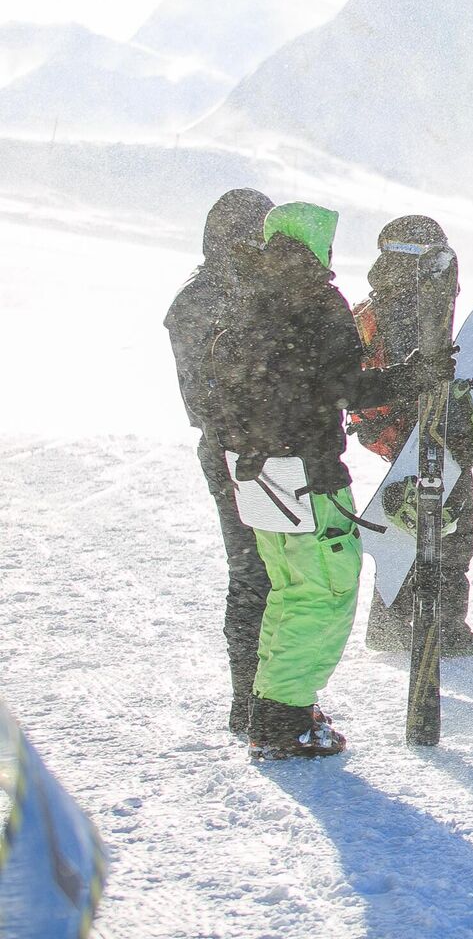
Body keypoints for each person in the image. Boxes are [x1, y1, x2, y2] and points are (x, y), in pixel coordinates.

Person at [204, 201, 446, 759]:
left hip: (254, 472)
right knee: (324, 592)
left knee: (289, 590)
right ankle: (283, 720)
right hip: (306, 472)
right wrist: (412, 377)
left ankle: (273, 706)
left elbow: (233, 381)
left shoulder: (246, 295)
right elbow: (341, 387)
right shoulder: (312, 299)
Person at [350, 215, 473, 657]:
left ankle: (391, 623)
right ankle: (444, 626)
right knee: (451, 525)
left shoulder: (384, 300)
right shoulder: (412, 307)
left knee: (409, 521)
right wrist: (454, 431)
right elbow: (420, 379)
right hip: (422, 432)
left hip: (399, 432)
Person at [164, 188, 276, 736]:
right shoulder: (212, 302)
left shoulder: (234, 295)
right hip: (243, 453)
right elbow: (206, 398)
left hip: (250, 449)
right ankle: (254, 699)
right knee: (259, 574)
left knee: (271, 574)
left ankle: (265, 698)